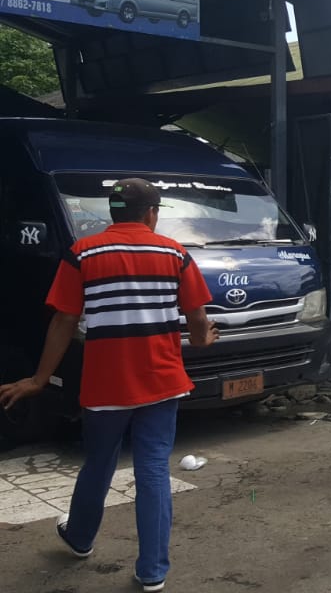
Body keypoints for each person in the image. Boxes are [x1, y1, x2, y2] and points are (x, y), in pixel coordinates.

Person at [0, 178, 218, 593]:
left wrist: (38, 379)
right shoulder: (175, 253)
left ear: (112, 213)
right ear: (151, 213)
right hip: (161, 381)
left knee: (99, 462)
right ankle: (152, 570)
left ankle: (80, 537)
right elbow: (197, 318)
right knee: (153, 468)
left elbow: (63, 320)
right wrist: (205, 337)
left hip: (106, 386)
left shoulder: (83, 253)